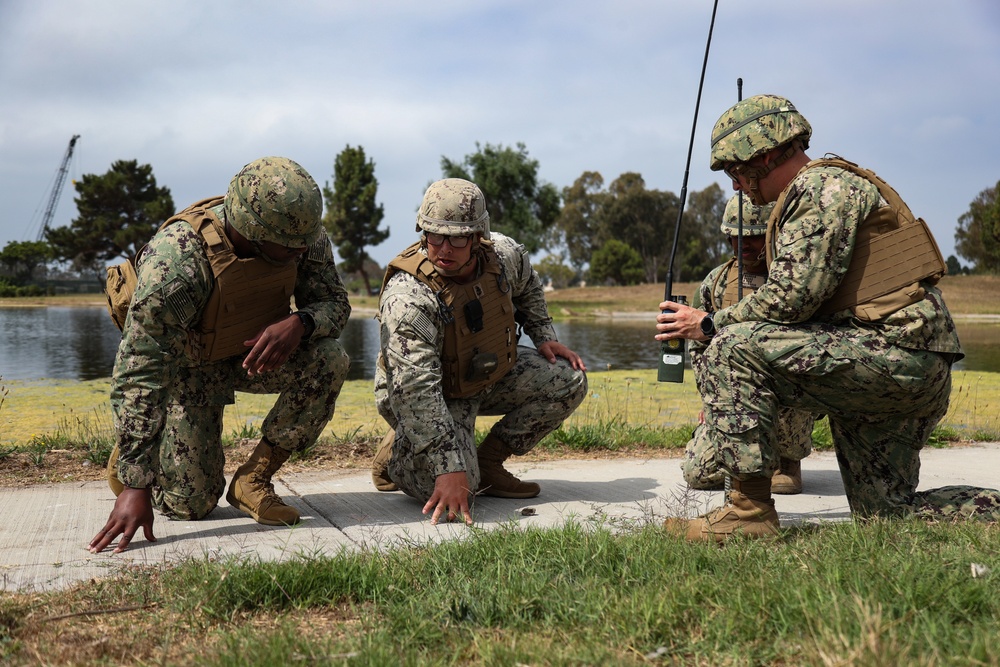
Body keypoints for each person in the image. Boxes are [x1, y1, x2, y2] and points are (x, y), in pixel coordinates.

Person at [655, 94, 1000, 542]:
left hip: (895, 356)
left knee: (731, 346)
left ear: (763, 156)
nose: (738, 186)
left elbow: (789, 300)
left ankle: (747, 516)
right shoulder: (819, 191)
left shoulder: (821, 190)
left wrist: (706, 324)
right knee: (888, 516)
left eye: (736, 172)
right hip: (894, 359)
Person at [89, 156, 351, 554]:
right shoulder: (177, 262)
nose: (303, 252)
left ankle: (253, 480)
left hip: (251, 353)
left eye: (304, 243)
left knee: (330, 359)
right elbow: (140, 371)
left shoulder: (300, 235)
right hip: (189, 369)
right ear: (254, 233)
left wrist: (302, 323)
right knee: (190, 505)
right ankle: (141, 451)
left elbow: (335, 303)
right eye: (290, 249)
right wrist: (134, 482)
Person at [372, 178, 588, 525]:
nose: (443, 248)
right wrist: (449, 470)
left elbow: (528, 283)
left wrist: (543, 334)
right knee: (459, 490)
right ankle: (400, 455)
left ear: (477, 237)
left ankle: (488, 462)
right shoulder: (408, 298)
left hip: (484, 375)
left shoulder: (503, 256)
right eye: (433, 236)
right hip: (430, 395)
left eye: (457, 238)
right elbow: (415, 389)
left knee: (569, 378)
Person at [682, 194, 814, 494]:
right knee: (698, 473)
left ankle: (786, 461)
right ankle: (750, 465)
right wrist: (711, 398)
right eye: (735, 237)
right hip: (733, 397)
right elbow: (700, 350)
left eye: (753, 238)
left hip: (786, 395)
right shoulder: (715, 284)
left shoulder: (794, 281)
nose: (742, 246)